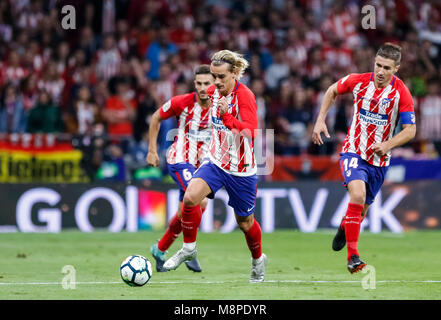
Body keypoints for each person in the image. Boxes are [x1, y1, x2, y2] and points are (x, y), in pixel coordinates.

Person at [163, 50, 267, 283]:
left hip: (241, 170)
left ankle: (258, 259)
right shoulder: (212, 92)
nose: (216, 82)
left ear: (235, 74)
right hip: (216, 162)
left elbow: (251, 132)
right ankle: (189, 248)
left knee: (245, 223)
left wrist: (227, 117)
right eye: (213, 76)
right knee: (190, 197)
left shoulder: (245, 96)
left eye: (220, 77)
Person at [312, 43, 416, 273]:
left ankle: (344, 225)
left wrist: (388, 145)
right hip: (354, 150)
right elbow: (332, 91)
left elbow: (410, 130)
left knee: (361, 210)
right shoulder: (358, 81)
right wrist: (320, 119)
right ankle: (353, 257)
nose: (380, 71)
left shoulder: (401, 93)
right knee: (357, 195)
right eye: (378, 65)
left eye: (386, 68)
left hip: (379, 160)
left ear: (396, 69)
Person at [146, 64, 214, 272]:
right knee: (199, 199)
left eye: (207, 84)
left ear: (215, 84)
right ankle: (189, 250)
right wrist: (152, 150)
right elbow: (156, 117)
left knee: (187, 211)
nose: (203, 88)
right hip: (180, 159)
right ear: (195, 84)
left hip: (202, 164)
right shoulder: (181, 102)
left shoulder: (221, 105)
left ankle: (160, 249)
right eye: (200, 83)